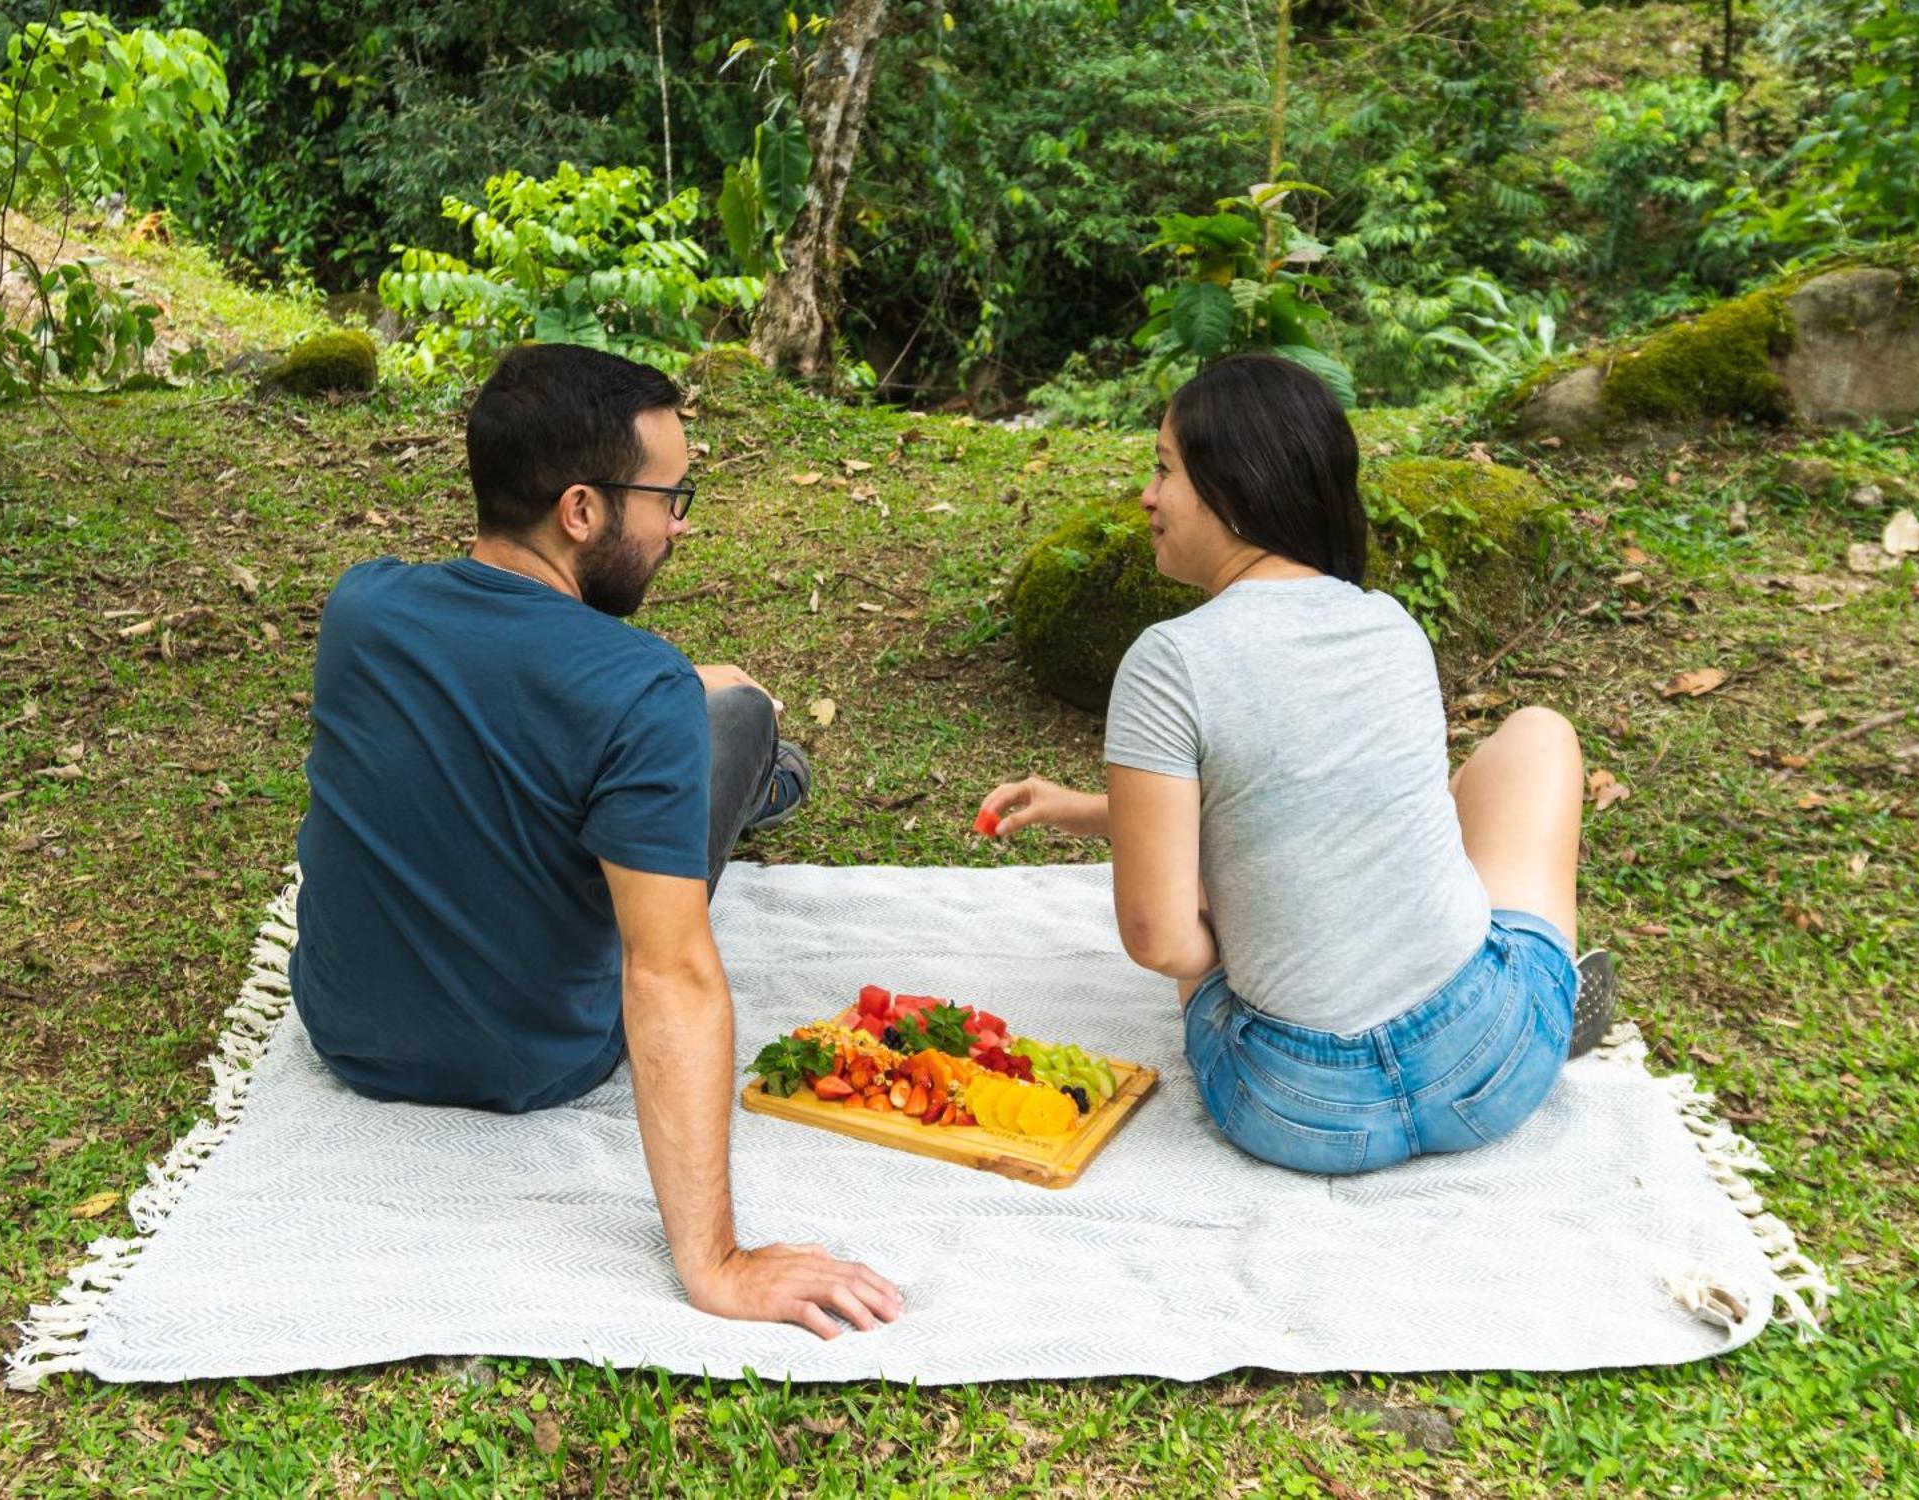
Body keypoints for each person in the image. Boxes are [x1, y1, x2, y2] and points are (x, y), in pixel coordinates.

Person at [290, 343, 900, 1337]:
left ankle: (740, 767)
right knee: (736, 708)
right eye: (669, 495)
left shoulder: (361, 606)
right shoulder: (638, 685)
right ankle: (757, 769)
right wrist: (715, 1263)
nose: (680, 523)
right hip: (539, 1061)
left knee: (689, 706)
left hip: (351, 1039)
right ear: (580, 511)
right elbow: (669, 977)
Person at [978, 352, 1616, 1176]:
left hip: (1294, 1109)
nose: (1146, 496)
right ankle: (1542, 992)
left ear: (1235, 488)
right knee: (1537, 736)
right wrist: (1077, 806)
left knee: (1208, 885)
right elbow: (1290, 793)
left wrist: (1245, 961)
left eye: (1163, 470)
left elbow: (1157, 936)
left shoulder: (1170, 660)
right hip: (1489, 1069)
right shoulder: (1389, 625)